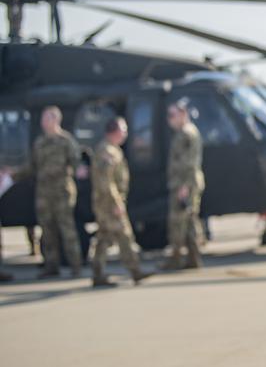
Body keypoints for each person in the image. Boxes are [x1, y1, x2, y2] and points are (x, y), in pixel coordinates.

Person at [12, 106, 85, 279]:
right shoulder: (39, 143)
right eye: (43, 119)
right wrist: (11, 175)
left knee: (67, 230)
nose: (43, 123)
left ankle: (76, 266)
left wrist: (80, 171)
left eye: (46, 119)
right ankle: (51, 265)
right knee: (47, 231)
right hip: (44, 194)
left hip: (62, 193)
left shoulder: (66, 141)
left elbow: (77, 163)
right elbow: (31, 167)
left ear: (55, 120)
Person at [90, 117, 150, 288]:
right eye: (123, 130)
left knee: (104, 238)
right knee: (124, 235)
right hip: (108, 204)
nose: (126, 134)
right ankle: (135, 271)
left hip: (107, 203)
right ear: (114, 131)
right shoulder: (106, 151)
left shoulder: (112, 149)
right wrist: (116, 203)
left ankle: (98, 274)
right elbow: (106, 181)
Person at [161, 100, 205, 270]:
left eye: (172, 115)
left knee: (178, 221)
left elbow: (189, 163)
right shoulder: (184, 133)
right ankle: (193, 258)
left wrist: (184, 187)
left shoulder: (186, 134)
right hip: (184, 183)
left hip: (185, 184)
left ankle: (176, 258)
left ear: (183, 114)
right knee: (189, 220)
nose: (169, 119)